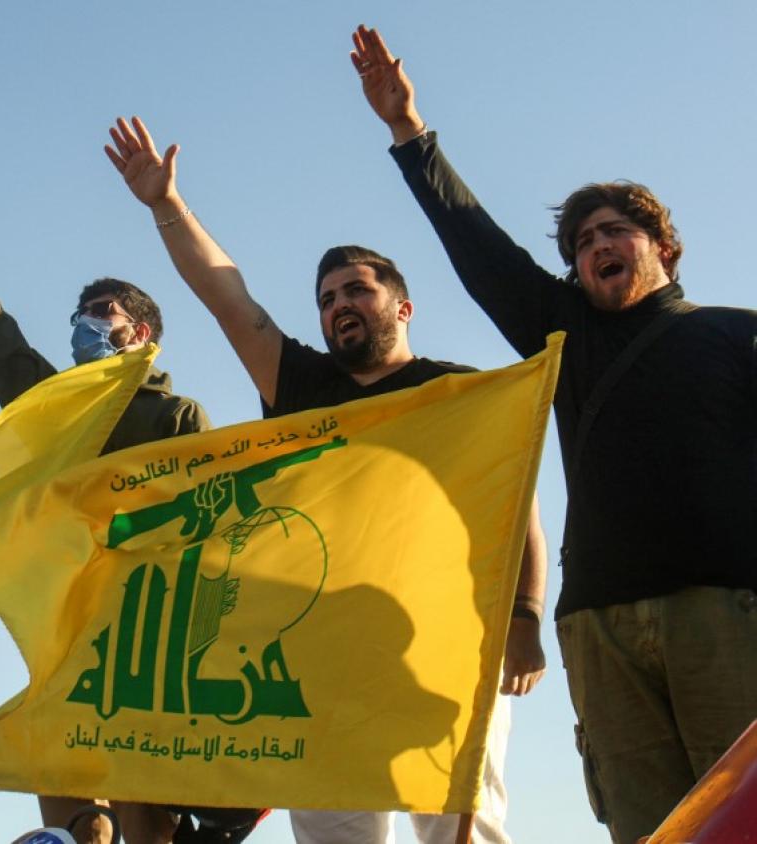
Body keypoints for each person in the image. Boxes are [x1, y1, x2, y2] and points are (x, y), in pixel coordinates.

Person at [350, 23, 757, 843]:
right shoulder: (565, 337)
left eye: (615, 231)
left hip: (722, 611)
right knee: (648, 830)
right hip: (600, 625)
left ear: (662, 247)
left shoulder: (735, 333)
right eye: (582, 241)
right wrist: (408, 131)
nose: (598, 245)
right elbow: (478, 246)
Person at [104, 115, 549, 844]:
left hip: (444, 635)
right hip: (322, 642)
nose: (339, 305)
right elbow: (227, 299)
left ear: (402, 306)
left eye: (356, 291)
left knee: (461, 826)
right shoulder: (303, 386)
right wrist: (167, 206)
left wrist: (525, 616)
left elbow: (516, 508)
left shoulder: (459, 392)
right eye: (327, 298)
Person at [0, 169, 221, 844]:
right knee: (63, 770)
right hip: (56, 624)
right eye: (79, 316)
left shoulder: (175, 416)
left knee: (139, 796)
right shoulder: (57, 411)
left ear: (139, 333)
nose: (83, 326)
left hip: (140, 630)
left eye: (101, 314)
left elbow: (201, 524)